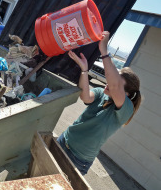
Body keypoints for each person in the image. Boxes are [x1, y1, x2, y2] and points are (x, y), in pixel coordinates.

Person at [57, 31, 141, 175]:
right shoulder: (101, 93)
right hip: (64, 140)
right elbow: (85, 97)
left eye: (115, 80)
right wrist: (84, 70)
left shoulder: (126, 109)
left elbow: (114, 86)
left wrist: (104, 50)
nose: (109, 80)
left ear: (126, 94)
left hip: (79, 160)